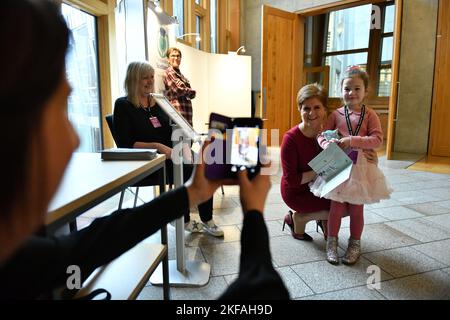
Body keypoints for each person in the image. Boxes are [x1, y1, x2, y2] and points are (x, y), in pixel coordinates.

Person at [0, 0, 289, 300]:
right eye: (59, 107)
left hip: (169, 163)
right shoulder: (124, 105)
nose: (74, 139)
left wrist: (192, 191)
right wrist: (253, 212)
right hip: (145, 165)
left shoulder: (23, 255)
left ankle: (200, 213)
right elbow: (263, 298)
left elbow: (100, 238)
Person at [113, 61, 223, 237]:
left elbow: (172, 127)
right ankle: (182, 219)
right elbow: (126, 143)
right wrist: (159, 147)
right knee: (189, 169)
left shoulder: (156, 102)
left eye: (151, 77)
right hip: (149, 162)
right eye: (144, 78)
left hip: (171, 153)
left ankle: (207, 219)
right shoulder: (123, 105)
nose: (150, 81)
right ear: (134, 80)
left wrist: (186, 137)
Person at [311, 66, 392, 265]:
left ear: (365, 91)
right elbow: (323, 135)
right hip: (338, 164)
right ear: (341, 90)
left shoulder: (370, 114)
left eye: (357, 88)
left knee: (357, 209)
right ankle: (332, 242)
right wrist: (327, 144)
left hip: (360, 169)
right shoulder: (336, 114)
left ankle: (355, 243)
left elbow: (377, 139)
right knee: (336, 207)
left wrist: (352, 141)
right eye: (347, 88)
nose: (352, 93)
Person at [280, 84, 378, 242]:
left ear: (325, 110)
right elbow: (291, 180)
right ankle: (299, 218)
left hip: (324, 186)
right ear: (299, 109)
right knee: (341, 206)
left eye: (317, 107)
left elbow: (349, 160)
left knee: (353, 202)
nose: (312, 113)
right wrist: (321, 170)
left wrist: (371, 159)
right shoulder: (290, 139)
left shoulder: (331, 135)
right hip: (298, 192)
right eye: (306, 108)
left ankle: (323, 220)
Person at [164, 47, 196, 126]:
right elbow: (178, 90)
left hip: (187, 114)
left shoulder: (181, 76)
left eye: (178, 56)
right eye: (173, 56)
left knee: (187, 138)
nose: (176, 58)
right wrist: (189, 89)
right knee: (179, 137)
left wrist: (185, 88)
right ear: (168, 59)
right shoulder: (169, 72)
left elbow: (192, 95)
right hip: (178, 113)